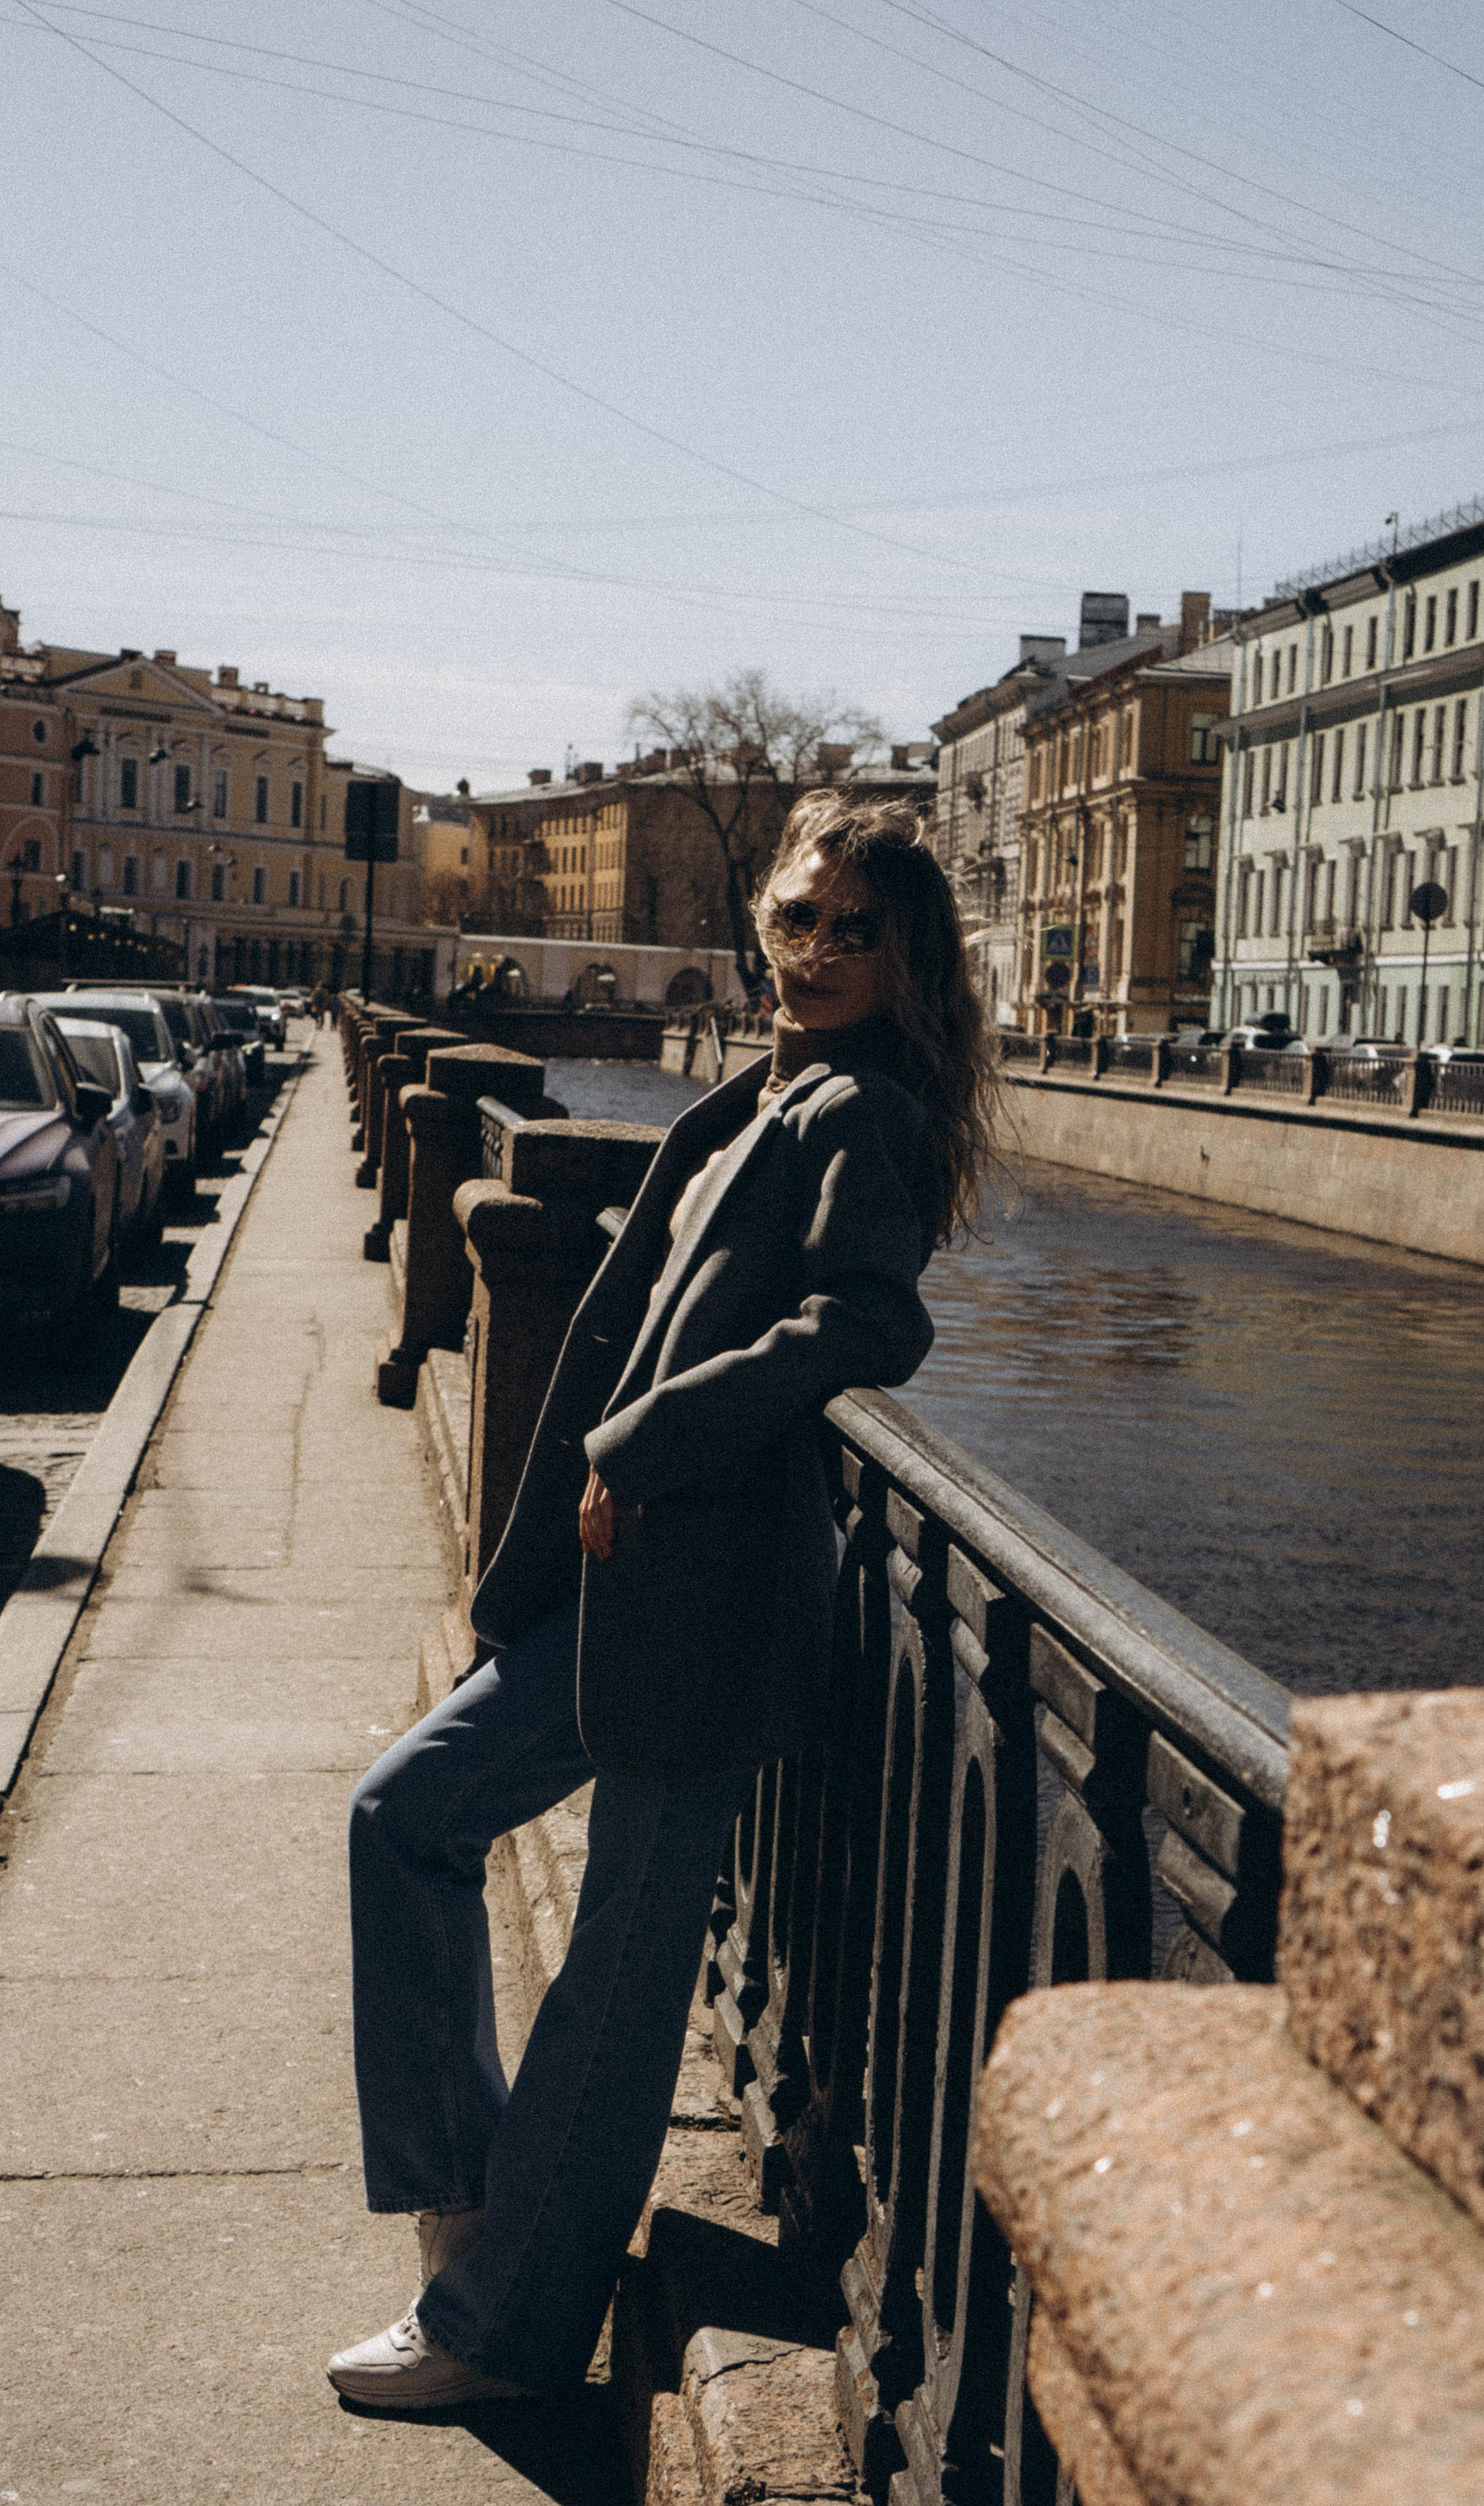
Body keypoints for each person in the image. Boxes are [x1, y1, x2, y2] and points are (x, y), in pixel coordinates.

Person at [326, 792, 998, 2409]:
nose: (818, 950)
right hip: (625, 1583)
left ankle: (505, 2331)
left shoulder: (863, 1114)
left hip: (709, 1595)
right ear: (756, 916)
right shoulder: (769, 1089)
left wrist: (641, 1436)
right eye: (795, 916)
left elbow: (865, 1323)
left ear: (907, 957)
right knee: (403, 1814)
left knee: (620, 1978)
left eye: (857, 929)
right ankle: (477, 2210)